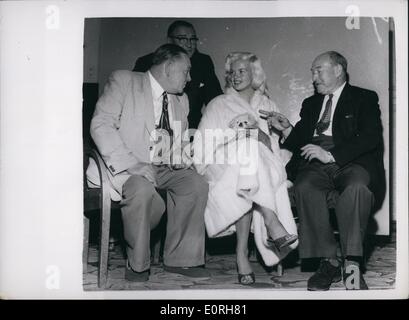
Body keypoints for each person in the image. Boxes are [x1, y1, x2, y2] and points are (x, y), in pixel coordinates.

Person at [261, 51, 385, 290]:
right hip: (314, 164)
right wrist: (287, 129)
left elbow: (370, 137)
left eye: (319, 70)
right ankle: (328, 262)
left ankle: (351, 265)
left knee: (357, 187)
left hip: (352, 161)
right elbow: (301, 139)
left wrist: (331, 154)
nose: (314, 76)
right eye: (312, 72)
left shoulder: (364, 97)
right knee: (305, 186)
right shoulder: (311, 103)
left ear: (338, 70)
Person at [88, 44, 210, 282]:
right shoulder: (124, 81)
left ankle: (181, 259)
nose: (190, 78)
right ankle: (137, 265)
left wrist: (181, 156)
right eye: (186, 71)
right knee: (142, 189)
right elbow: (101, 124)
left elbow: (178, 140)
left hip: (161, 167)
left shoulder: (180, 100)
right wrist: (132, 164)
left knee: (195, 183)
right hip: (126, 167)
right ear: (168, 67)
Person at [194, 52, 298, 285]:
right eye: (231, 72)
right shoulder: (218, 104)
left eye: (242, 71)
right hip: (224, 164)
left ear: (255, 74)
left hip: (262, 165)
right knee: (247, 158)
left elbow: (276, 148)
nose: (235, 76)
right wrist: (237, 134)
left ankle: (242, 254)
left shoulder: (268, 106)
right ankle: (273, 223)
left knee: (250, 164)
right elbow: (202, 143)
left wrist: (259, 135)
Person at [133, 20, 223, 129]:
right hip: (150, 127)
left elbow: (215, 98)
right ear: (169, 41)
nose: (189, 44)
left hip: (190, 128)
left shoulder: (203, 62)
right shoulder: (148, 61)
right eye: (183, 38)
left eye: (193, 39)